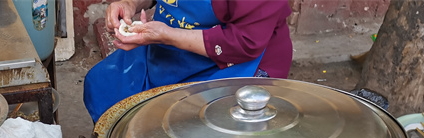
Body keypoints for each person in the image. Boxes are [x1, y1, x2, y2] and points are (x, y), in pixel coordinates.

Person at [83, 0, 292, 122]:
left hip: (235, 59)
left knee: (188, 128)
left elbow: (245, 42)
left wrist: (168, 36)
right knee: (103, 84)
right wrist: (130, 3)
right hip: (167, 43)